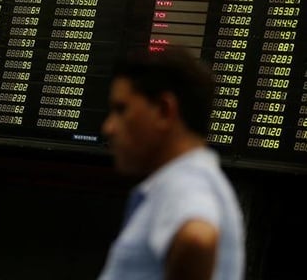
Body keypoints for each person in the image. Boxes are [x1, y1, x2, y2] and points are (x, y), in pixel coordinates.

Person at [98, 48, 244, 280]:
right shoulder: (194, 179)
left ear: (165, 111)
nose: (109, 127)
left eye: (121, 110)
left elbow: (199, 238)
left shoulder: (185, 183)